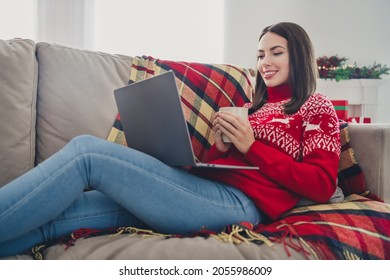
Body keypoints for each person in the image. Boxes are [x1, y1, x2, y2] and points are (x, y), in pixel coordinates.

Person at [0, 22, 342, 257]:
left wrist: (251, 146)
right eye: (260, 54)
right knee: (60, 217)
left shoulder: (315, 106)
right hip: (200, 194)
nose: (264, 62)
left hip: (241, 203)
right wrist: (219, 149)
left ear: (297, 54)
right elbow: (222, 168)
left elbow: (321, 184)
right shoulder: (253, 109)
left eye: (275, 52)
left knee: (87, 152)